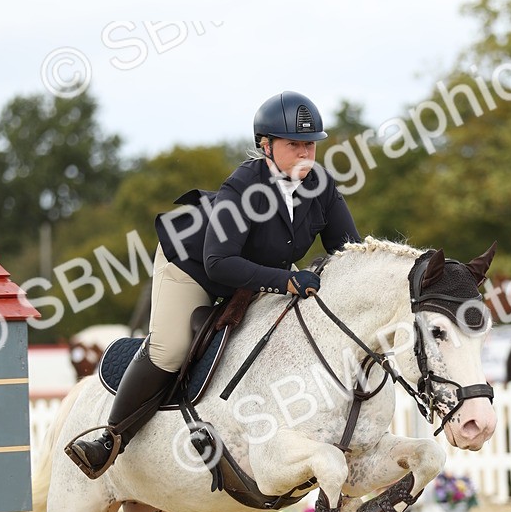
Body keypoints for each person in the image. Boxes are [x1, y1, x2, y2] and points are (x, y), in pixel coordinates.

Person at [67, 91, 361, 478]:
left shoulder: (321, 186)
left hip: (255, 274)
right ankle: (109, 437)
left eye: (310, 144)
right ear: (266, 145)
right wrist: (288, 279)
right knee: (171, 348)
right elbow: (219, 263)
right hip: (193, 267)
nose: (306, 153)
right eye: (294, 145)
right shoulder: (242, 186)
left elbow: (349, 254)